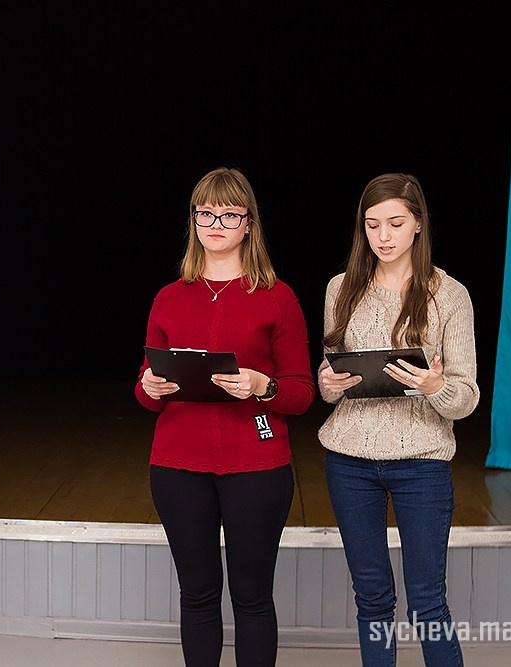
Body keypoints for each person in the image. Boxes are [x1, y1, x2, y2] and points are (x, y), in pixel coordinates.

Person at [135, 167, 315, 666]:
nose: (216, 224)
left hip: (256, 467)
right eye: (206, 214)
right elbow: (147, 394)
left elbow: (301, 394)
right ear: (193, 220)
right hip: (177, 466)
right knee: (196, 595)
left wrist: (262, 385)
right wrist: (148, 386)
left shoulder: (277, 296)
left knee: (252, 598)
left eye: (229, 214)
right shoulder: (169, 297)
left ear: (249, 224)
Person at [317, 173, 479, 666]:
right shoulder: (341, 288)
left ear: (418, 224)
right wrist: (330, 384)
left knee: (427, 601)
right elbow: (328, 377)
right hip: (349, 461)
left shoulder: (449, 295)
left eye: (395, 223)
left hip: (422, 464)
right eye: (372, 225)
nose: (383, 236)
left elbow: (466, 398)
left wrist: (434, 386)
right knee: (371, 599)